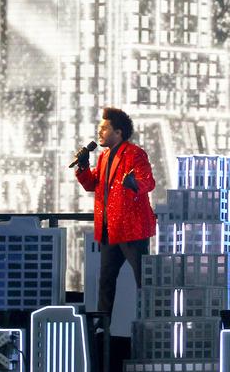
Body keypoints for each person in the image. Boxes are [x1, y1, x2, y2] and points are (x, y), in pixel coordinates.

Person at [75, 107, 156, 322]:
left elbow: (148, 182)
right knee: (106, 281)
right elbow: (92, 184)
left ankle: (152, 321)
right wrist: (83, 166)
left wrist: (133, 183)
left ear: (118, 132)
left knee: (143, 279)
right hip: (109, 229)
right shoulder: (103, 157)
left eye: (104, 128)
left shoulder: (134, 153)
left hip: (131, 229)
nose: (99, 132)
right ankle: (103, 327)